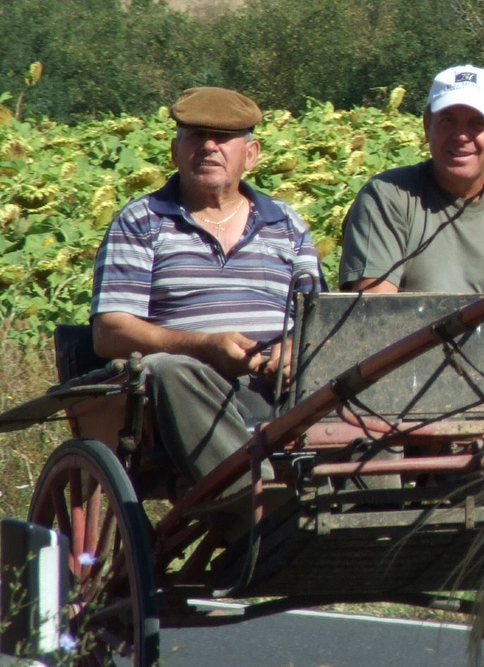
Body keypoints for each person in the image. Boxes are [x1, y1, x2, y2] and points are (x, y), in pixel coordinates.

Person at [90, 86, 323, 488]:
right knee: (167, 369)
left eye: (224, 138)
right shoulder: (141, 221)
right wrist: (204, 347)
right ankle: (257, 501)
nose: (209, 147)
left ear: (251, 154)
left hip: (278, 387)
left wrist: (293, 350)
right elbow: (109, 331)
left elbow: (318, 319)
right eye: (196, 136)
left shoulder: (286, 223)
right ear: (175, 150)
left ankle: (372, 520)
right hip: (184, 392)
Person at [338, 65, 484, 294]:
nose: (461, 136)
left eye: (477, 123)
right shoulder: (387, 198)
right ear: (427, 126)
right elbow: (375, 314)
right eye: (448, 120)